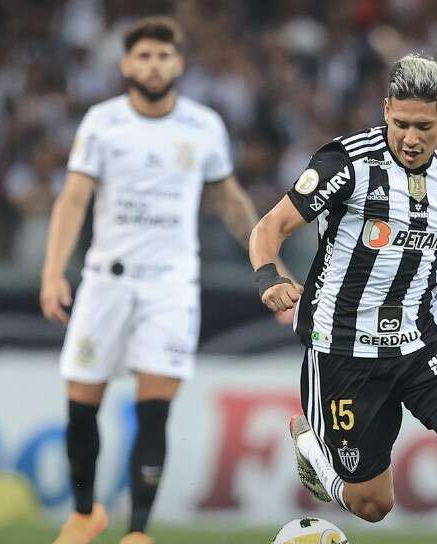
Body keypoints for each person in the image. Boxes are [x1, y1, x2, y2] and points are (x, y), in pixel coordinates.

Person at [249, 54, 437, 542]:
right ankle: (314, 449)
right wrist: (270, 276)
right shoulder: (345, 163)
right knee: (372, 505)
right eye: (400, 123)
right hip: (344, 349)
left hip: (423, 342)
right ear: (385, 108)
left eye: (423, 126)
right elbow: (270, 226)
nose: (411, 138)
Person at [40, 17, 267, 544]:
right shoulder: (102, 122)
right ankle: (84, 512)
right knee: (81, 402)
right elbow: (73, 198)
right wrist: (53, 272)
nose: (153, 65)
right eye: (143, 56)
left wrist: (265, 259)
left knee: (154, 408)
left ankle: (138, 531)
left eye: (163, 56)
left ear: (179, 63)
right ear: (125, 65)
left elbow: (228, 199)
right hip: (105, 280)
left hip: (170, 284)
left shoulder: (203, 125)